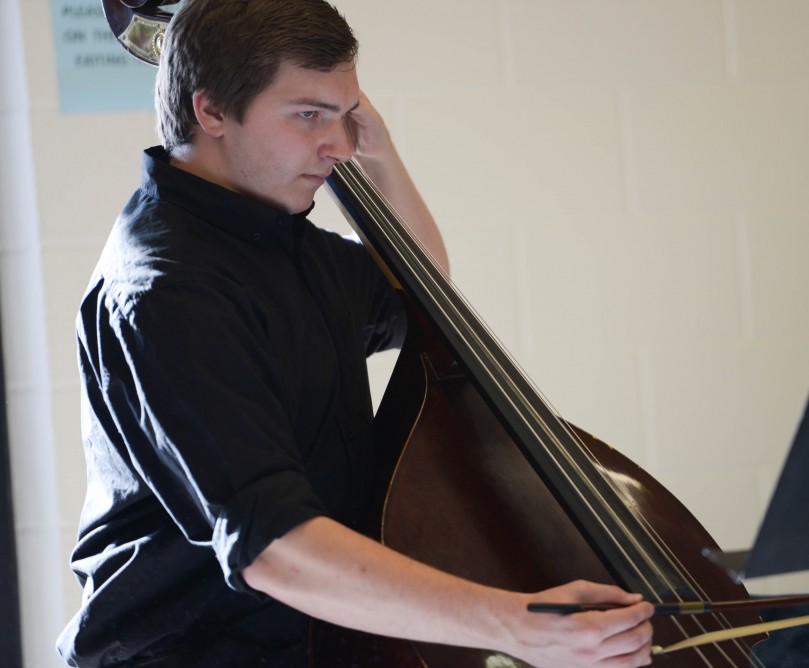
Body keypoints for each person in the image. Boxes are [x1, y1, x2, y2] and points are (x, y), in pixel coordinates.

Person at [56, 1, 655, 666]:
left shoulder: (279, 237)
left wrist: (381, 155)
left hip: (315, 641)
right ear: (213, 111)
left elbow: (420, 296)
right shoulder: (170, 291)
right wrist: (517, 626)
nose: (336, 146)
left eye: (346, 115)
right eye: (308, 114)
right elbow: (276, 550)